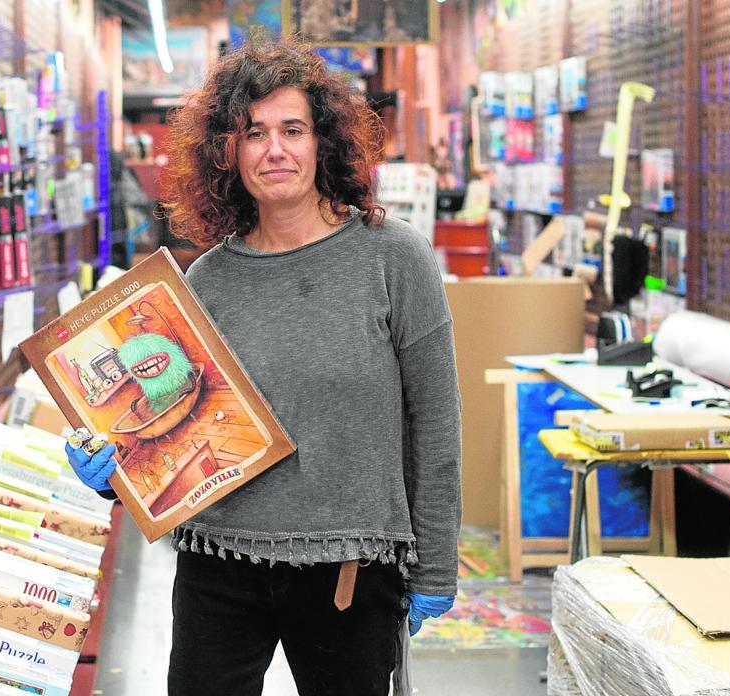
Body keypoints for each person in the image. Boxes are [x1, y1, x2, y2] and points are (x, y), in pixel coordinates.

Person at [65, 38, 461, 696]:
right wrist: (115, 470)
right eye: (253, 133)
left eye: (292, 129)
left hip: (350, 571)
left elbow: (435, 423)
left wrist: (435, 568)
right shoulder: (208, 279)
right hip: (217, 563)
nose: (273, 150)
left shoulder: (394, 260)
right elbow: (173, 425)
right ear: (228, 151)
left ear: (324, 142)